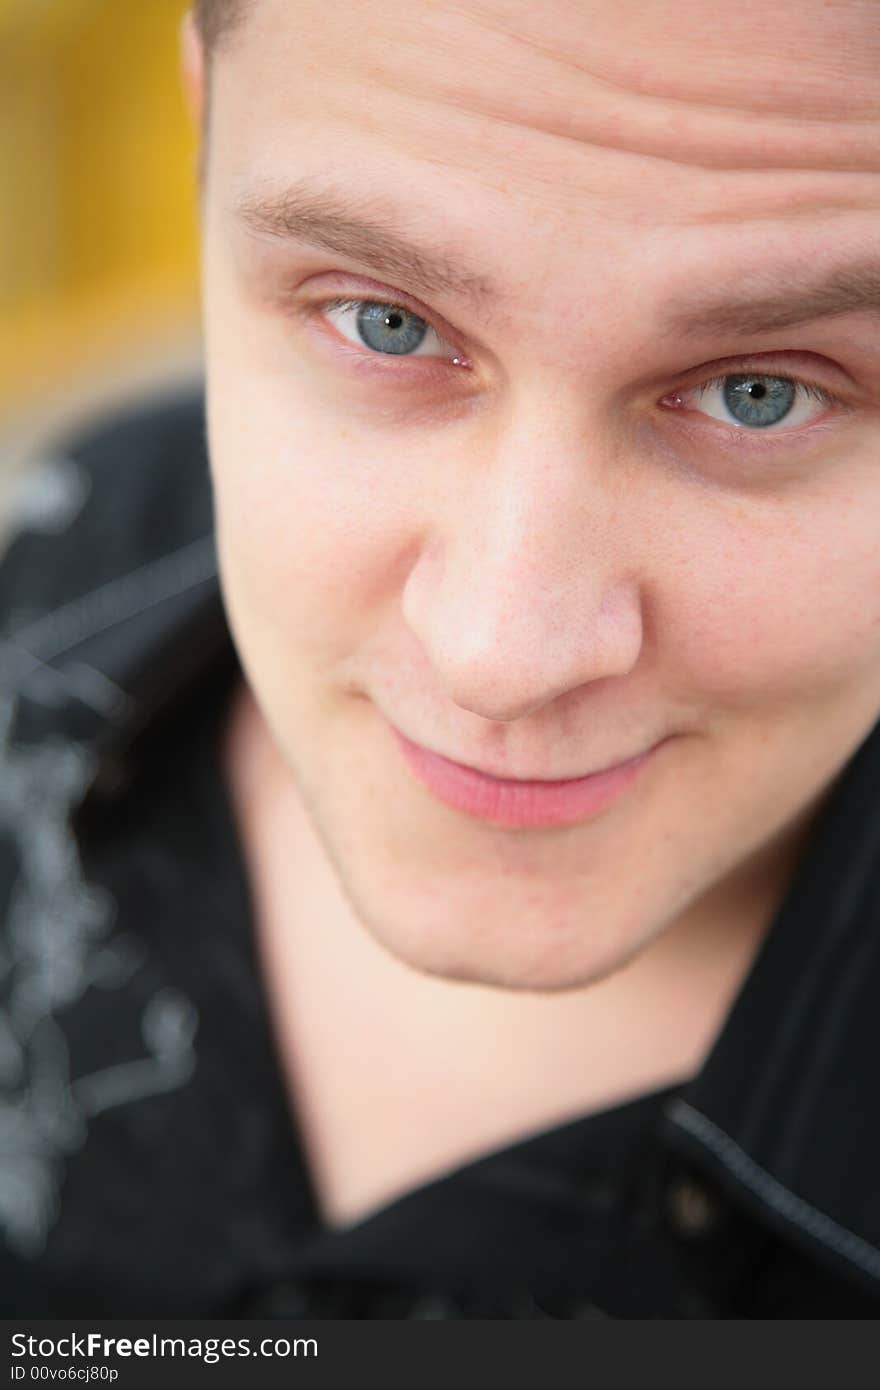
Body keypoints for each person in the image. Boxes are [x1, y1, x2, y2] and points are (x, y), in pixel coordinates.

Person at [1, 0, 879, 1319]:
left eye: (764, 390)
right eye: (383, 323)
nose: (498, 656)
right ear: (205, 133)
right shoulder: (60, 556)